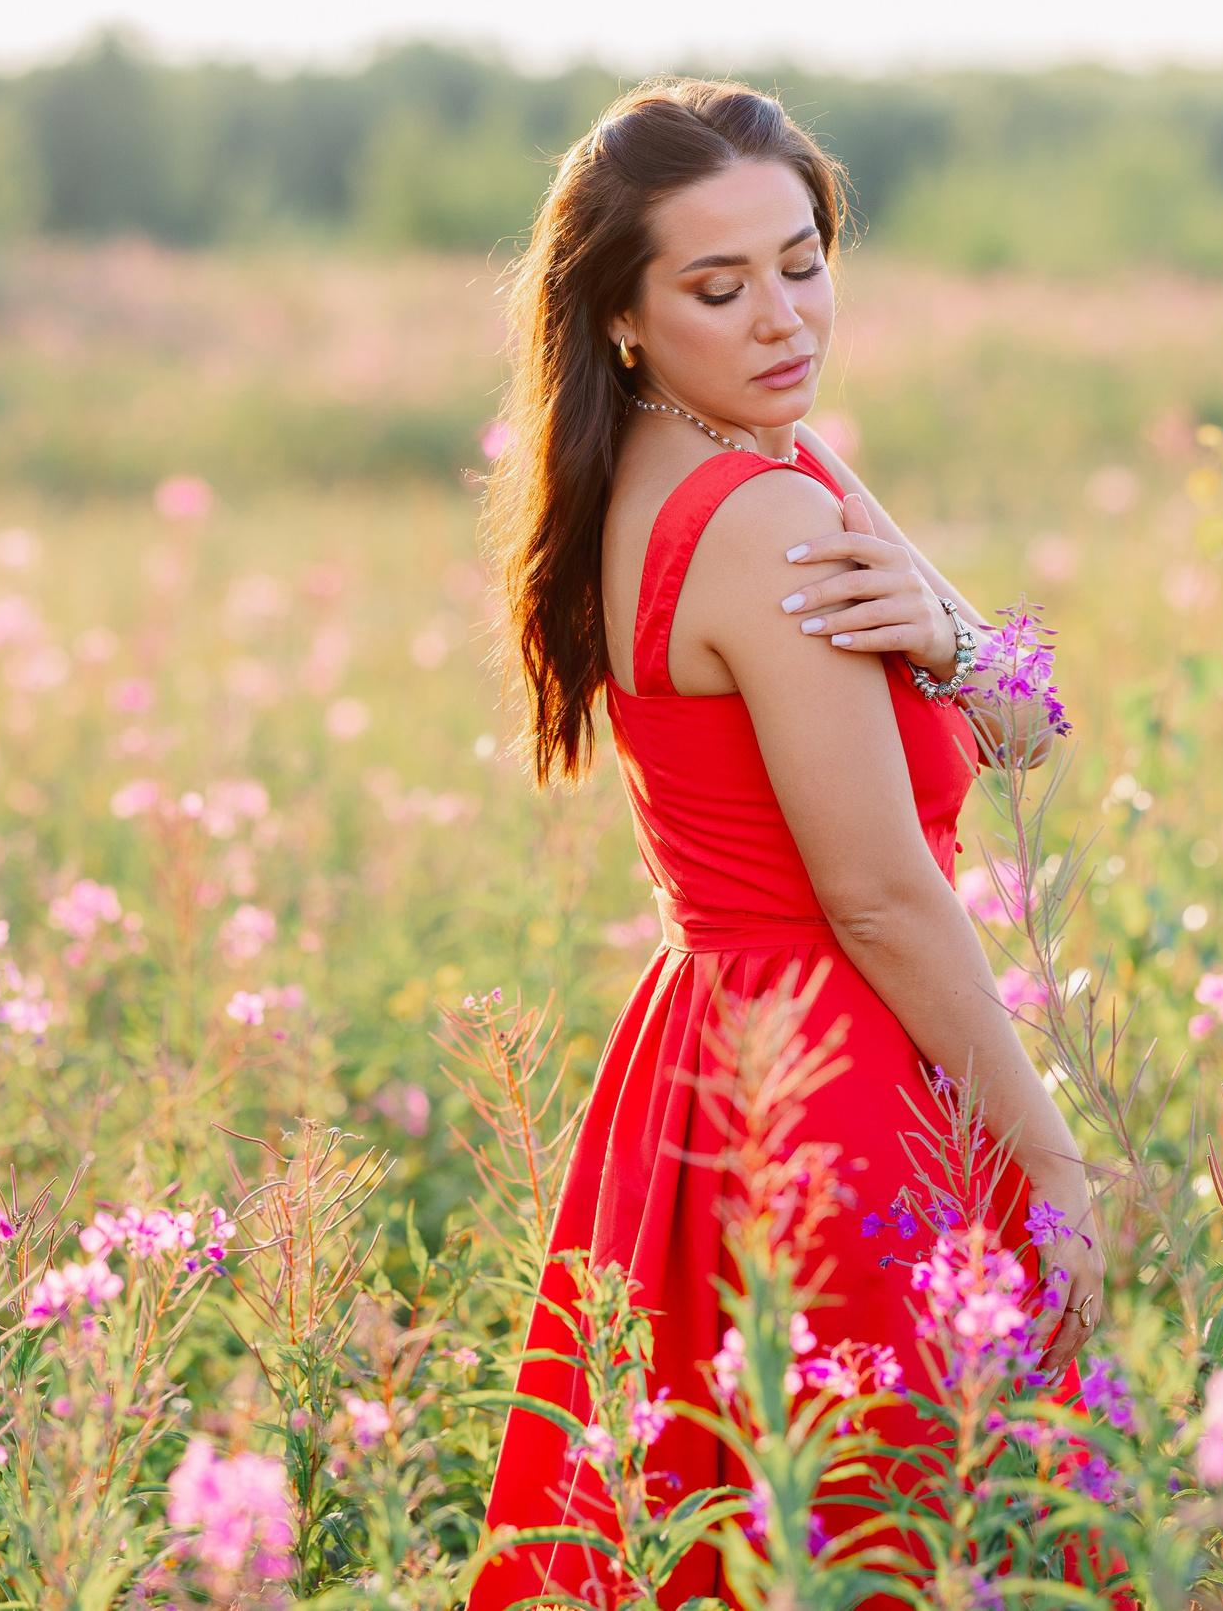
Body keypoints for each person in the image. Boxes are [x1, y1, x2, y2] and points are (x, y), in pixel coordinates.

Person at [472, 78, 1105, 1605]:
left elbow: (1031, 722)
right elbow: (883, 898)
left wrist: (947, 633)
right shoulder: (760, 514)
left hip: (705, 1059)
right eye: (718, 284)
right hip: (838, 1075)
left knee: (723, 1520)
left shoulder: (735, 463)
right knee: (900, 1528)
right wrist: (1054, 1163)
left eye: (803, 259)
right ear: (621, 315)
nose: (784, 318)